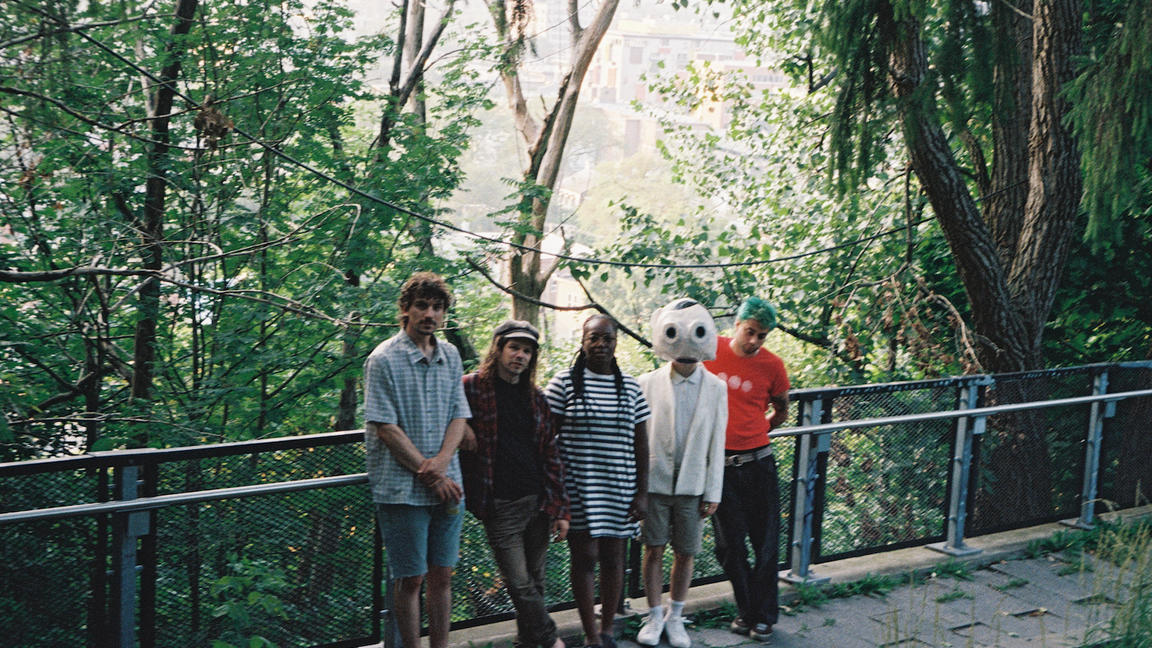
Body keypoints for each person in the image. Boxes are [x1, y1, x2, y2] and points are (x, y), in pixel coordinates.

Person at [363, 272, 471, 648]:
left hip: (449, 484)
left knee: (442, 574)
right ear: (405, 310)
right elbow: (385, 428)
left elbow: (460, 415)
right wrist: (432, 474)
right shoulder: (383, 360)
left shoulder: (451, 355)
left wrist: (442, 462)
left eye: (437, 307)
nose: (430, 314)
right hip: (401, 489)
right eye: (422, 305)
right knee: (410, 578)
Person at [459, 320, 571, 648]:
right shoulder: (471, 387)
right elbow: (444, 412)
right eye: (514, 348)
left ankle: (528, 643)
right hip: (500, 505)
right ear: (498, 349)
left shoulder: (536, 398)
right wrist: (462, 427)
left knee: (534, 582)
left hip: (537, 502)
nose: (520, 355)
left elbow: (551, 455)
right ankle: (551, 641)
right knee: (519, 584)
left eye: (526, 351)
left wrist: (560, 509)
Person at [545, 314, 651, 648]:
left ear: (616, 342)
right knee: (585, 557)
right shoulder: (564, 383)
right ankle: (590, 635)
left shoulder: (631, 386)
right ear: (583, 340)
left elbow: (641, 445)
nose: (601, 344)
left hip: (619, 489)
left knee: (614, 558)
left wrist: (642, 493)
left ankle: (608, 631)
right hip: (578, 487)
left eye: (607, 338)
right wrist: (556, 493)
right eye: (594, 338)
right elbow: (547, 439)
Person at [635, 299, 728, 648]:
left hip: (693, 484)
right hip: (655, 481)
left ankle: (676, 616)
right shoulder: (646, 382)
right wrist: (637, 486)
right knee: (653, 548)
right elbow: (638, 438)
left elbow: (717, 441)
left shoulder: (717, 388)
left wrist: (713, 490)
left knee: (686, 551)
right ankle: (654, 614)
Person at [702, 297, 790, 642]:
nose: (754, 341)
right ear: (737, 325)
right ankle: (747, 609)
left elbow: (781, 409)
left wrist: (756, 432)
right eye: (750, 331)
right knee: (729, 546)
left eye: (762, 335)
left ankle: (763, 616)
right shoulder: (712, 350)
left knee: (766, 543)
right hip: (720, 468)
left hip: (759, 464)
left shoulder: (773, 366)